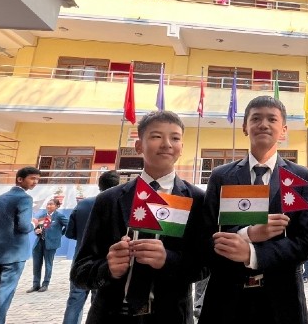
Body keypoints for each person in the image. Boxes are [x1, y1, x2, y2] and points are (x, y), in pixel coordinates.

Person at [71, 110, 206, 324]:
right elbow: (80, 271)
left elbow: (203, 266)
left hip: (170, 317)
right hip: (111, 316)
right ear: (138, 146)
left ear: (182, 147)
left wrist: (168, 259)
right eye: (156, 136)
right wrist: (108, 268)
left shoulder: (197, 200)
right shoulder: (109, 200)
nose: (166, 144)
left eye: (175, 138)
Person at [199, 96, 308, 324]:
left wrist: (253, 254)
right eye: (256, 119)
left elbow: (306, 242)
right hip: (227, 300)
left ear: (283, 130)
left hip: (283, 301)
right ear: (245, 127)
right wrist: (248, 234)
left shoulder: (299, 177)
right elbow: (205, 238)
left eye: (272, 119)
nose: (264, 124)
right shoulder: (221, 176)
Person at [61, 170, 120, 324]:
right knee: (98, 302)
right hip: (105, 262)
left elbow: (70, 233)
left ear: (99, 185)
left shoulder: (83, 204)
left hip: (81, 259)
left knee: (75, 301)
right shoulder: (118, 205)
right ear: (118, 184)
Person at [0, 167, 40, 324]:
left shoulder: (1, 198)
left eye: (37, 179)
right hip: (14, 254)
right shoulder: (25, 198)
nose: (35, 182)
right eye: (32, 178)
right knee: (4, 294)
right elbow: (24, 227)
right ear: (20, 179)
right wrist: (33, 223)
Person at [27, 198, 68, 293]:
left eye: (51, 204)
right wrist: (36, 231)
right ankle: (35, 285)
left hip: (51, 244)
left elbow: (68, 225)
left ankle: (45, 284)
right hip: (39, 243)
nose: (48, 206)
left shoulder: (59, 216)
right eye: (47, 204)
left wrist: (59, 235)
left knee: (48, 264)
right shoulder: (42, 216)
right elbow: (37, 228)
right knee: (36, 264)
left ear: (57, 206)